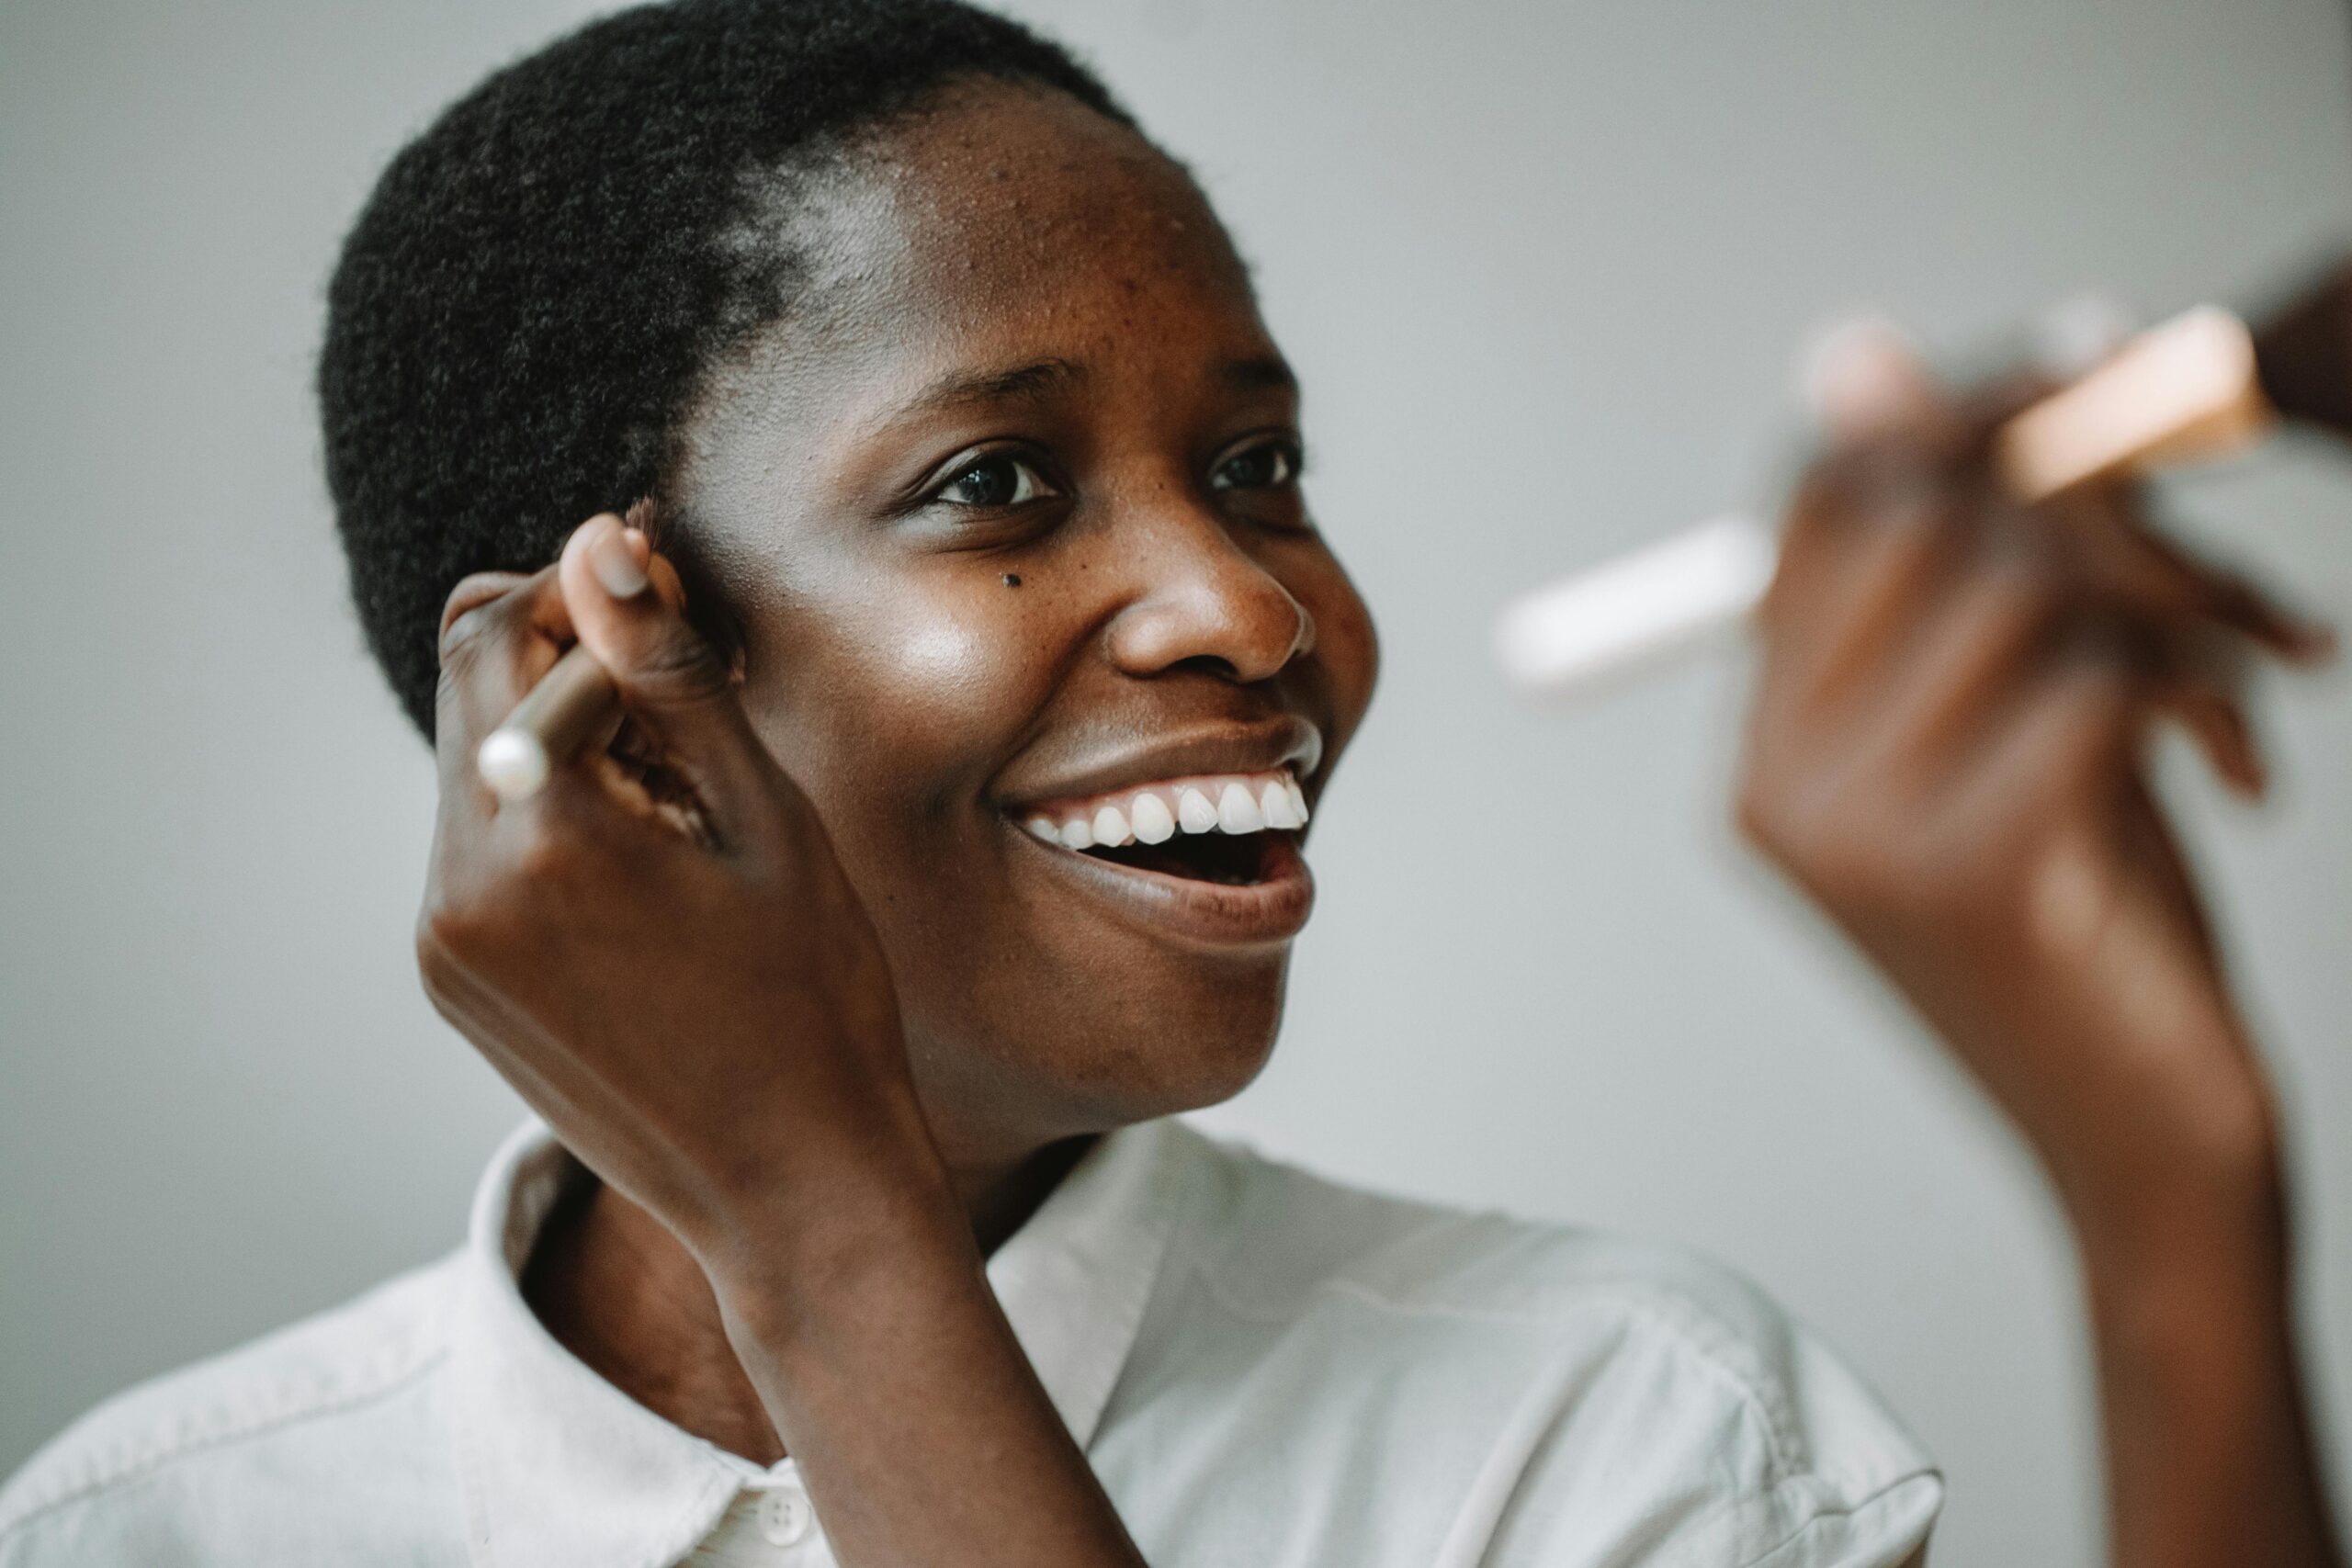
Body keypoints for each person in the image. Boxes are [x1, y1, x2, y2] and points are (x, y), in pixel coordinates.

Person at [0, 2, 2340, 1564]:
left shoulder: (1624, 1443)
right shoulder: (159, 1527)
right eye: (1002, 480)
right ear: (599, 670)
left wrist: (2175, 1194)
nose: (1243, 605)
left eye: (1254, 463)